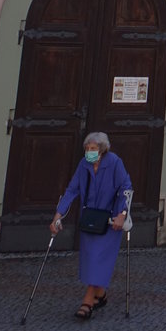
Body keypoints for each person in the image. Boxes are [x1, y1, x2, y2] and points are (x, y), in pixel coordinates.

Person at [49, 131, 131, 319]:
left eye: (93, 148)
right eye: (87, 148)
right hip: (90, 220)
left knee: (97, 259)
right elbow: (72, 190)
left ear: (102, 150)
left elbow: (126, 188)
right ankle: (100, 295)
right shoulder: (84, 164)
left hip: (111, 222)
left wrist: (122, 214)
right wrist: (57, 216)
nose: (89, 152)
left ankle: (87, 301)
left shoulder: (114, 162)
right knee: (90, 260)